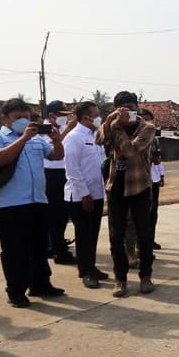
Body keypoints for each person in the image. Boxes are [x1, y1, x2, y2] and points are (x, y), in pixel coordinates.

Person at [0, 98, 66, 308]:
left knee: (38, 248)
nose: (24, 121)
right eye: (18, 118)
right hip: (11, 206)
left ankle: (41, 285)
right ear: (5, 119)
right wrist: (23, 138)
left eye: (26, 117)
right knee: (14, 252)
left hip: (38, 201)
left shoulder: (38, 139)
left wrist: (56, 140)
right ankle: (16, 291)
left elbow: (56, 156)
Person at [96, 91, 157, 297]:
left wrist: (118, 130)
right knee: (115, 237)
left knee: (144, 235)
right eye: (123, 108)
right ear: (116, 109)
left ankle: (145, 277)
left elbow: (131, 152)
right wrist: (110, 122)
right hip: (116, 187)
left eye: (132, 107)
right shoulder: (113, 123)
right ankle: (120, 280)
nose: (129, 111)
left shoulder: (147, 127)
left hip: (139, 187)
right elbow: (99, 140)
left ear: (137, 107)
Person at [63, 101, 106, 290]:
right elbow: (72, 170)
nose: (99, 117)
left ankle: (91, 267)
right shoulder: (73, 137)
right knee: (83, 235)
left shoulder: (95, 135)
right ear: (85, 117)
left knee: (93, 234)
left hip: (97, 193)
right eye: (96, 114)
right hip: (81, 196)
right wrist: (84, 195)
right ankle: (86, 271)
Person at [43, 100, 79, 265]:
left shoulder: (63, 127)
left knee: (63, 214)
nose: (65, 119)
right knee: (55, 214)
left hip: (63, 172)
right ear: (52, 116)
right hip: (51, 173)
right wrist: (69, 129)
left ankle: (55, 244)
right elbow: (51, 146)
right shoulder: (44, 129)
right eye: (62, 116)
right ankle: (58, 250)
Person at [143, 108, 165, 251]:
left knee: (153, 212)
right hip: (141, 180)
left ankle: (150, 240)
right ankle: (142, 243)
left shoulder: (155, 139)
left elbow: (158, 160)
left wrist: (161, 175)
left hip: (153, 179)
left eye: (148, 119)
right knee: (142, 213)